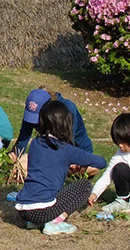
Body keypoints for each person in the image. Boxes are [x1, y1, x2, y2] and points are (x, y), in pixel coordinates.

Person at [13, 100, 107, 236]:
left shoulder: (35, 144)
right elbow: (101, 162)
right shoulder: (66, 149)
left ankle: (36, 222)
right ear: (66, 124)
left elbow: (48, 166)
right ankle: (54, 221)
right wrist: (79, 165)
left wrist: (65, 167)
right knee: (85, 185)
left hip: (23, 209)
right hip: (43, 210)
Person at [13, 87, 94, 156]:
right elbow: (23, 138)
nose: (35, 122)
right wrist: (14, 156)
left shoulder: (67, 109)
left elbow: (67, 144)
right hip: (50, 147)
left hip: (77, 150)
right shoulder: (32, 111)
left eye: (38, 118)